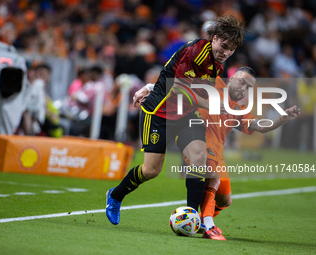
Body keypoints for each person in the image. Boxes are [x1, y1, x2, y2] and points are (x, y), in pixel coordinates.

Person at [106, 14, 244, 225]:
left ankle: (192, 216)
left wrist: (152, 86)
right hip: (159, 113)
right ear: (214, 38)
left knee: (199, 157)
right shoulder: (196, 52)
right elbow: (179, 89)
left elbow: (179, 80)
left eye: (231, 49)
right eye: (223, 45)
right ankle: (115, 195)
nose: (226, 52)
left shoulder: (217, 64)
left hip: (186, 114)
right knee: (151, 170)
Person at [134, 66, 300, 240]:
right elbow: (180, 84)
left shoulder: (238, 109)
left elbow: (258, 125)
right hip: (195, 141)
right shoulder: (214, 82)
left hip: (218, 154)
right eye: (241, 82)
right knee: (213, 176)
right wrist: (149, 87)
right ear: (232, 77)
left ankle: (196, 220)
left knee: (225, 200)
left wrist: (282, 119)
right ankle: (208, 225)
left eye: (248, 87)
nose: (243, 88)